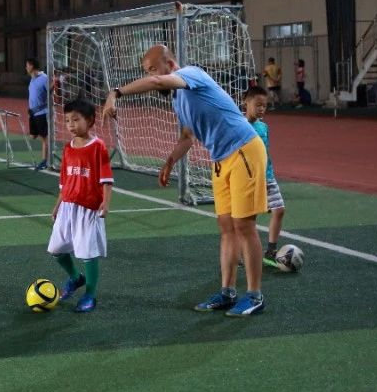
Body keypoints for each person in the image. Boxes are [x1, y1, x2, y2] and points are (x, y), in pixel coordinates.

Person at [104, 44, 267, 316]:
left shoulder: (192, 74)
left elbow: (156, 82)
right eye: (147, 71)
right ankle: (227, 292)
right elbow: (187, 137)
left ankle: (255, 295)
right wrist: (169, 161)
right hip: (221, 159)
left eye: (153, 69)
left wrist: (116, 93)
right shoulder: (178, 99)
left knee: (244, 226)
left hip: (244, 150)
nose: (152, 76)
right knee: (226, 227)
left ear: (170, 64)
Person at [47, 98, 113, 313]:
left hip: (88, 208)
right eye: (67, 121)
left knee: (87, 253)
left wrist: (106, 203)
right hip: (67, 206)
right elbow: (64, 181)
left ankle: (90, 294)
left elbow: (106, 179)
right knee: (56, 249)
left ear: (90, 120)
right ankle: (76, 278)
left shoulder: (98, 147)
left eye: (76, 120)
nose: (71, 125)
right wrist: (57, 205)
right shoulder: (67, 149)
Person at [243, 86, 286, 266]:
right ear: (246, 102)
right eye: (258, 104)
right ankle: (240, 253)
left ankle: (271, 250)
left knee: (279, 210)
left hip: (267, 177)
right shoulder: (239, 125)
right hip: (248, 180)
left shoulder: (264, 127)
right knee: (245, 219)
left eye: (265, 106)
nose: (262, 109)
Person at [25, 57, 50, 171]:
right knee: (33, 136)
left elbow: (50, 93)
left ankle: (45, 161)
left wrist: (54, 86)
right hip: (33, 113)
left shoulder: (44, 78)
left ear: (32, 65)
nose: (26, 67)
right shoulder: (32, 79)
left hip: (42, 113)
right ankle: (45, 159)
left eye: (27, 65)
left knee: (45, 138)